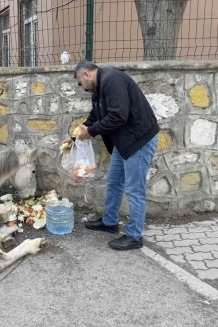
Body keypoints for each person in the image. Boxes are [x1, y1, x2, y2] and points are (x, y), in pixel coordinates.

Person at [62, 61, 159, 250]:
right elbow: (95, 116)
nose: (81, 88)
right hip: (123, 143)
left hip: (138, 141)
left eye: (80, 83)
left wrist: (90, 132)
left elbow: (118, 116)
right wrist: (75, 136)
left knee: (134, 190)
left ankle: (134, 236)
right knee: (114, 181)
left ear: (87, 75)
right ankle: (110, 222)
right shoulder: (99, 89)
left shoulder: (112, 80)